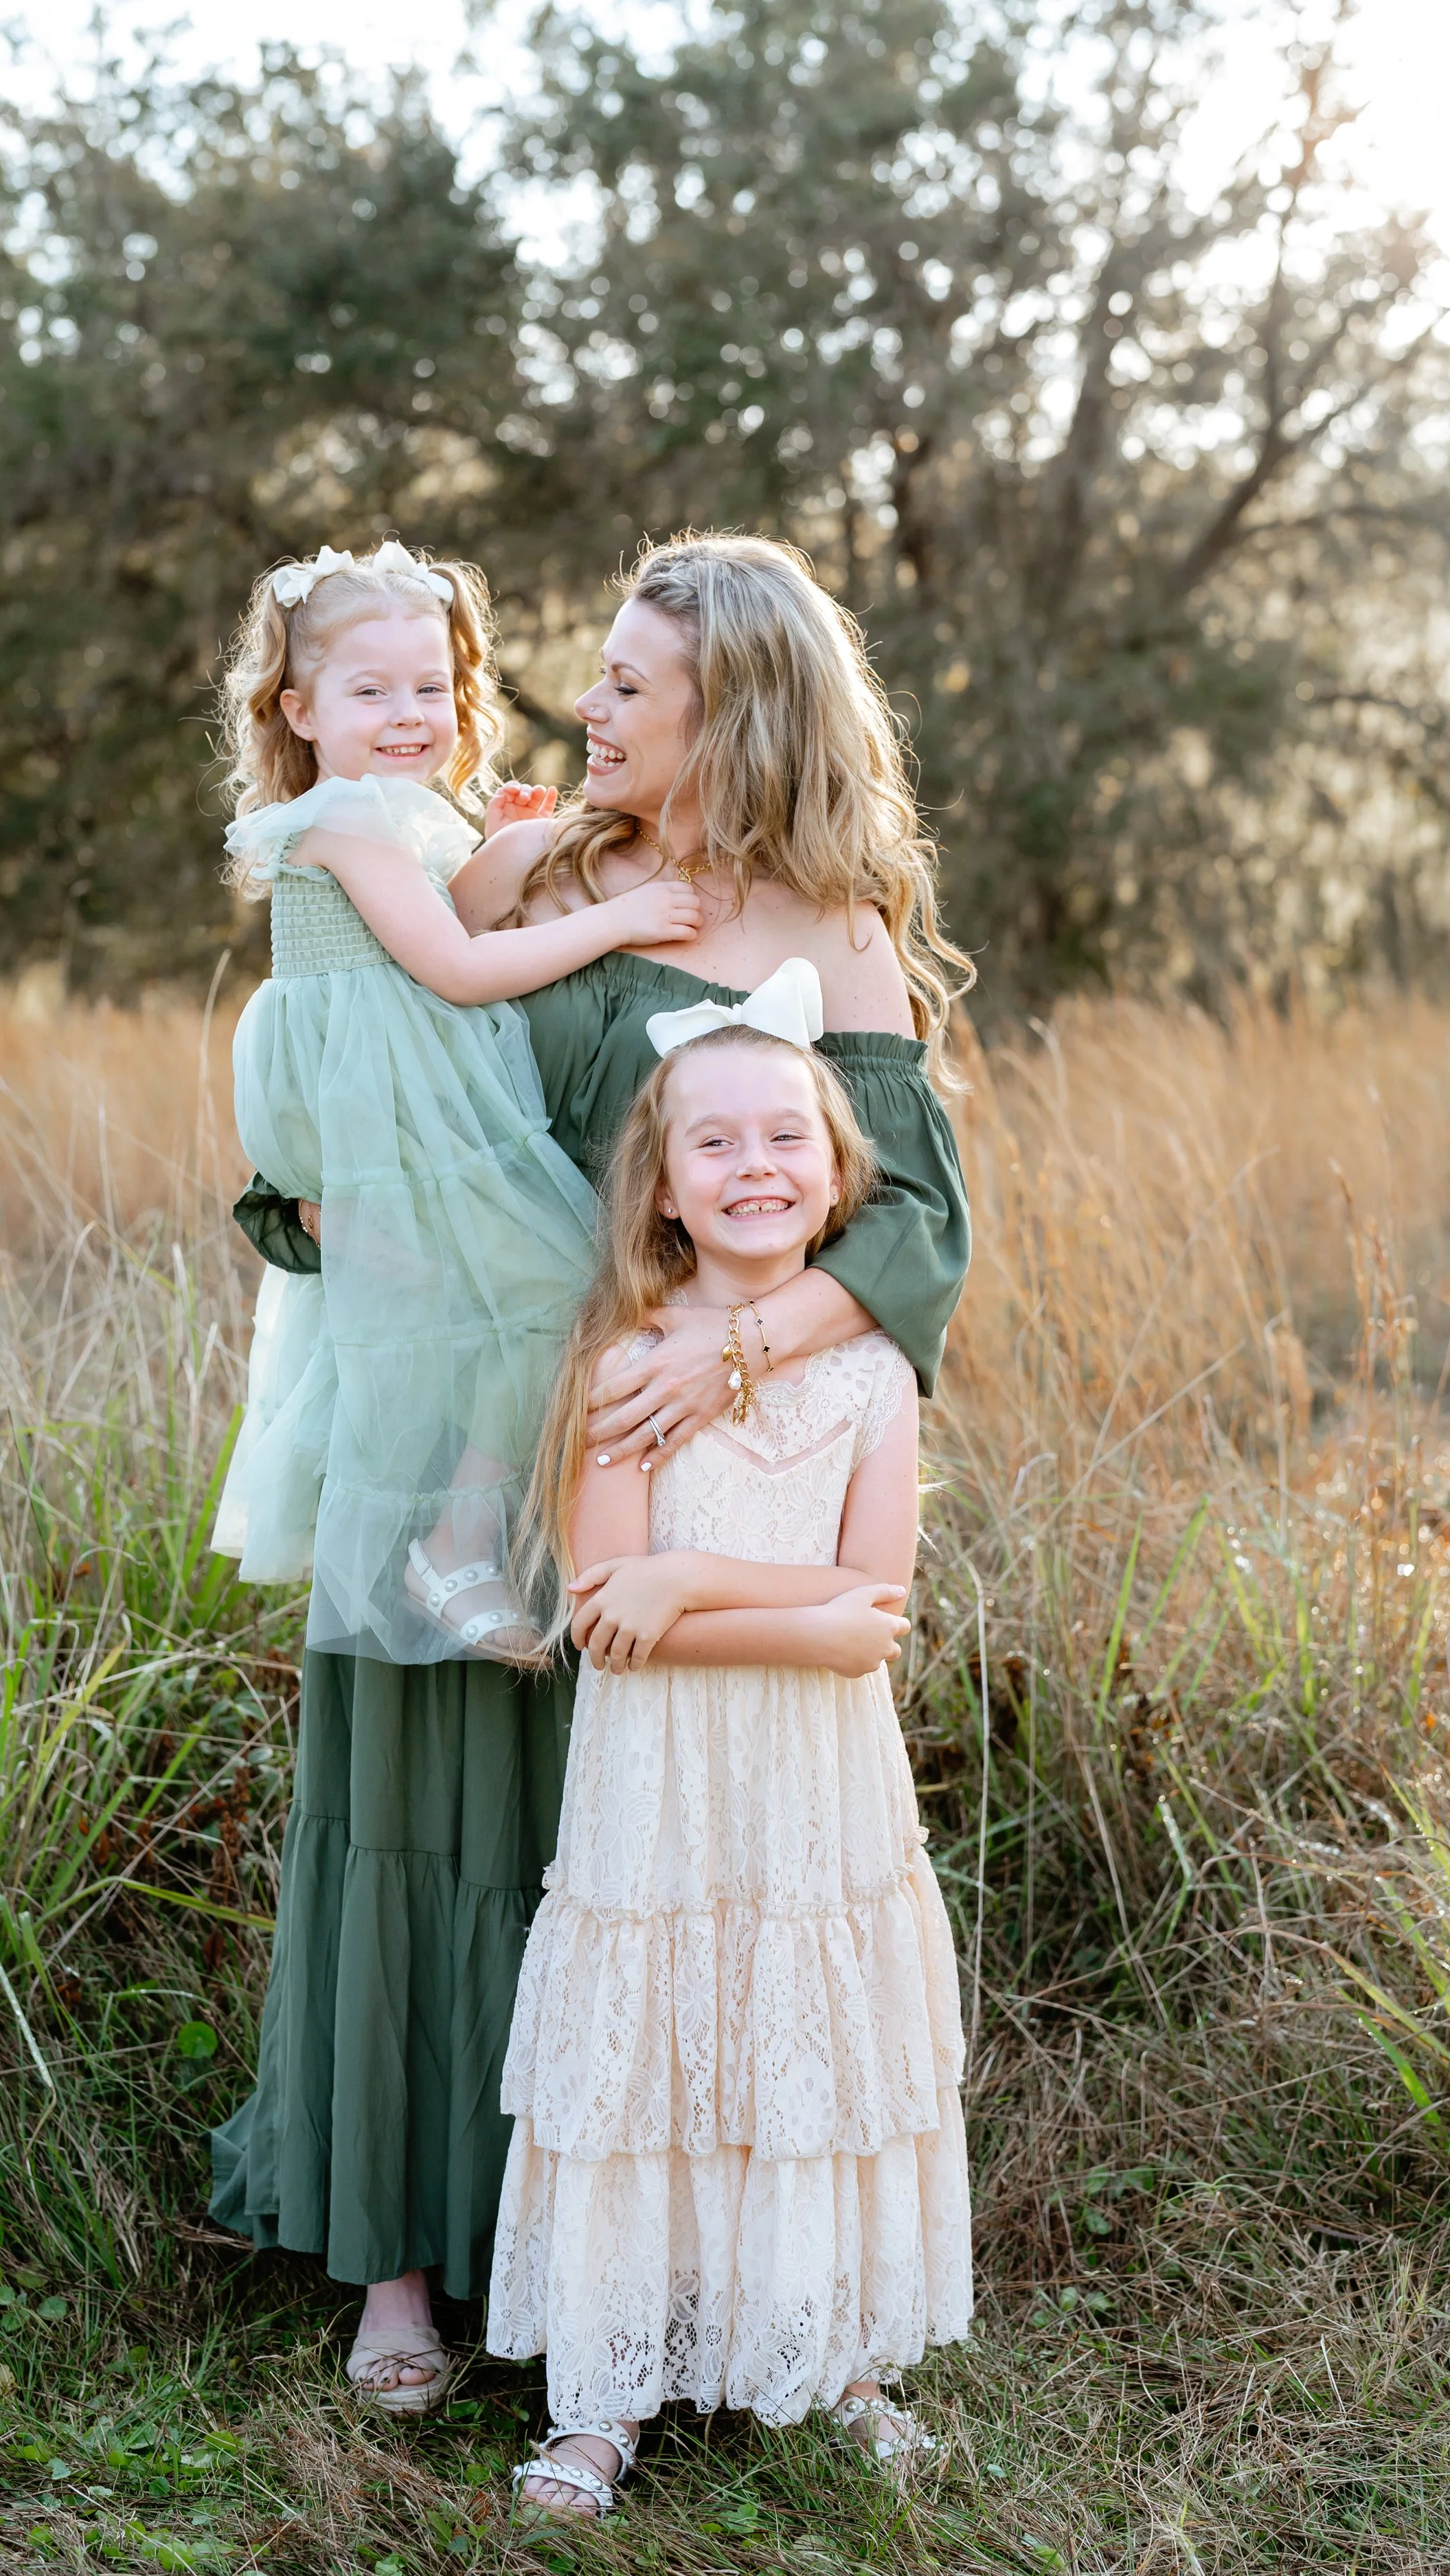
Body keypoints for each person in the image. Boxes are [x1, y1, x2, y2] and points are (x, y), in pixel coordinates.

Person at [216, 532, 973, 2414]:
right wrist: (304, 1204)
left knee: (611, 1856)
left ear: (736, 712)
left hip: (664, 1473)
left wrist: (707, 1353)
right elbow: (353, 1055)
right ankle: (396, 2259)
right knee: (417, 1807)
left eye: (633, 683)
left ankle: (642, 2272)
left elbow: (912, 1230)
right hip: (455, 1428)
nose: (587, 703)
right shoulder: (522, 861)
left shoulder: (829, 934)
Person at [488, 1006, 973, 2518]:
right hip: (662, 1790)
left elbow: (869, 1615)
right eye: (715, 1141)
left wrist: (691, 1583)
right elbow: (604, 1618)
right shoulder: (622, 1364)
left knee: (803, 2045)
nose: (752, 1164)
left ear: (834, 1178)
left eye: (785, 1137)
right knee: (649, 2053)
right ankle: (604, 2395)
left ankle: (828, 2356)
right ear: (661, 1185)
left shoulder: (869, 1376)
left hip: (817, 1787)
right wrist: (758, 1608)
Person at [207, 536, 699, 1669]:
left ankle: (459, 1538)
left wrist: (509, 844)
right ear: (298, 708)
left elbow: (455, 918)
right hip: (376, 1106)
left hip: (399, 1092)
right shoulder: (343, 819)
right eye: (369, 690)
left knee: (507, 1300)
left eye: (431, 686)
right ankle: (454, 1541)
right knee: (550, 1285)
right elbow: (459, 969)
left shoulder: (401, 817)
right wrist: (624, 916)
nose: (407, 712)